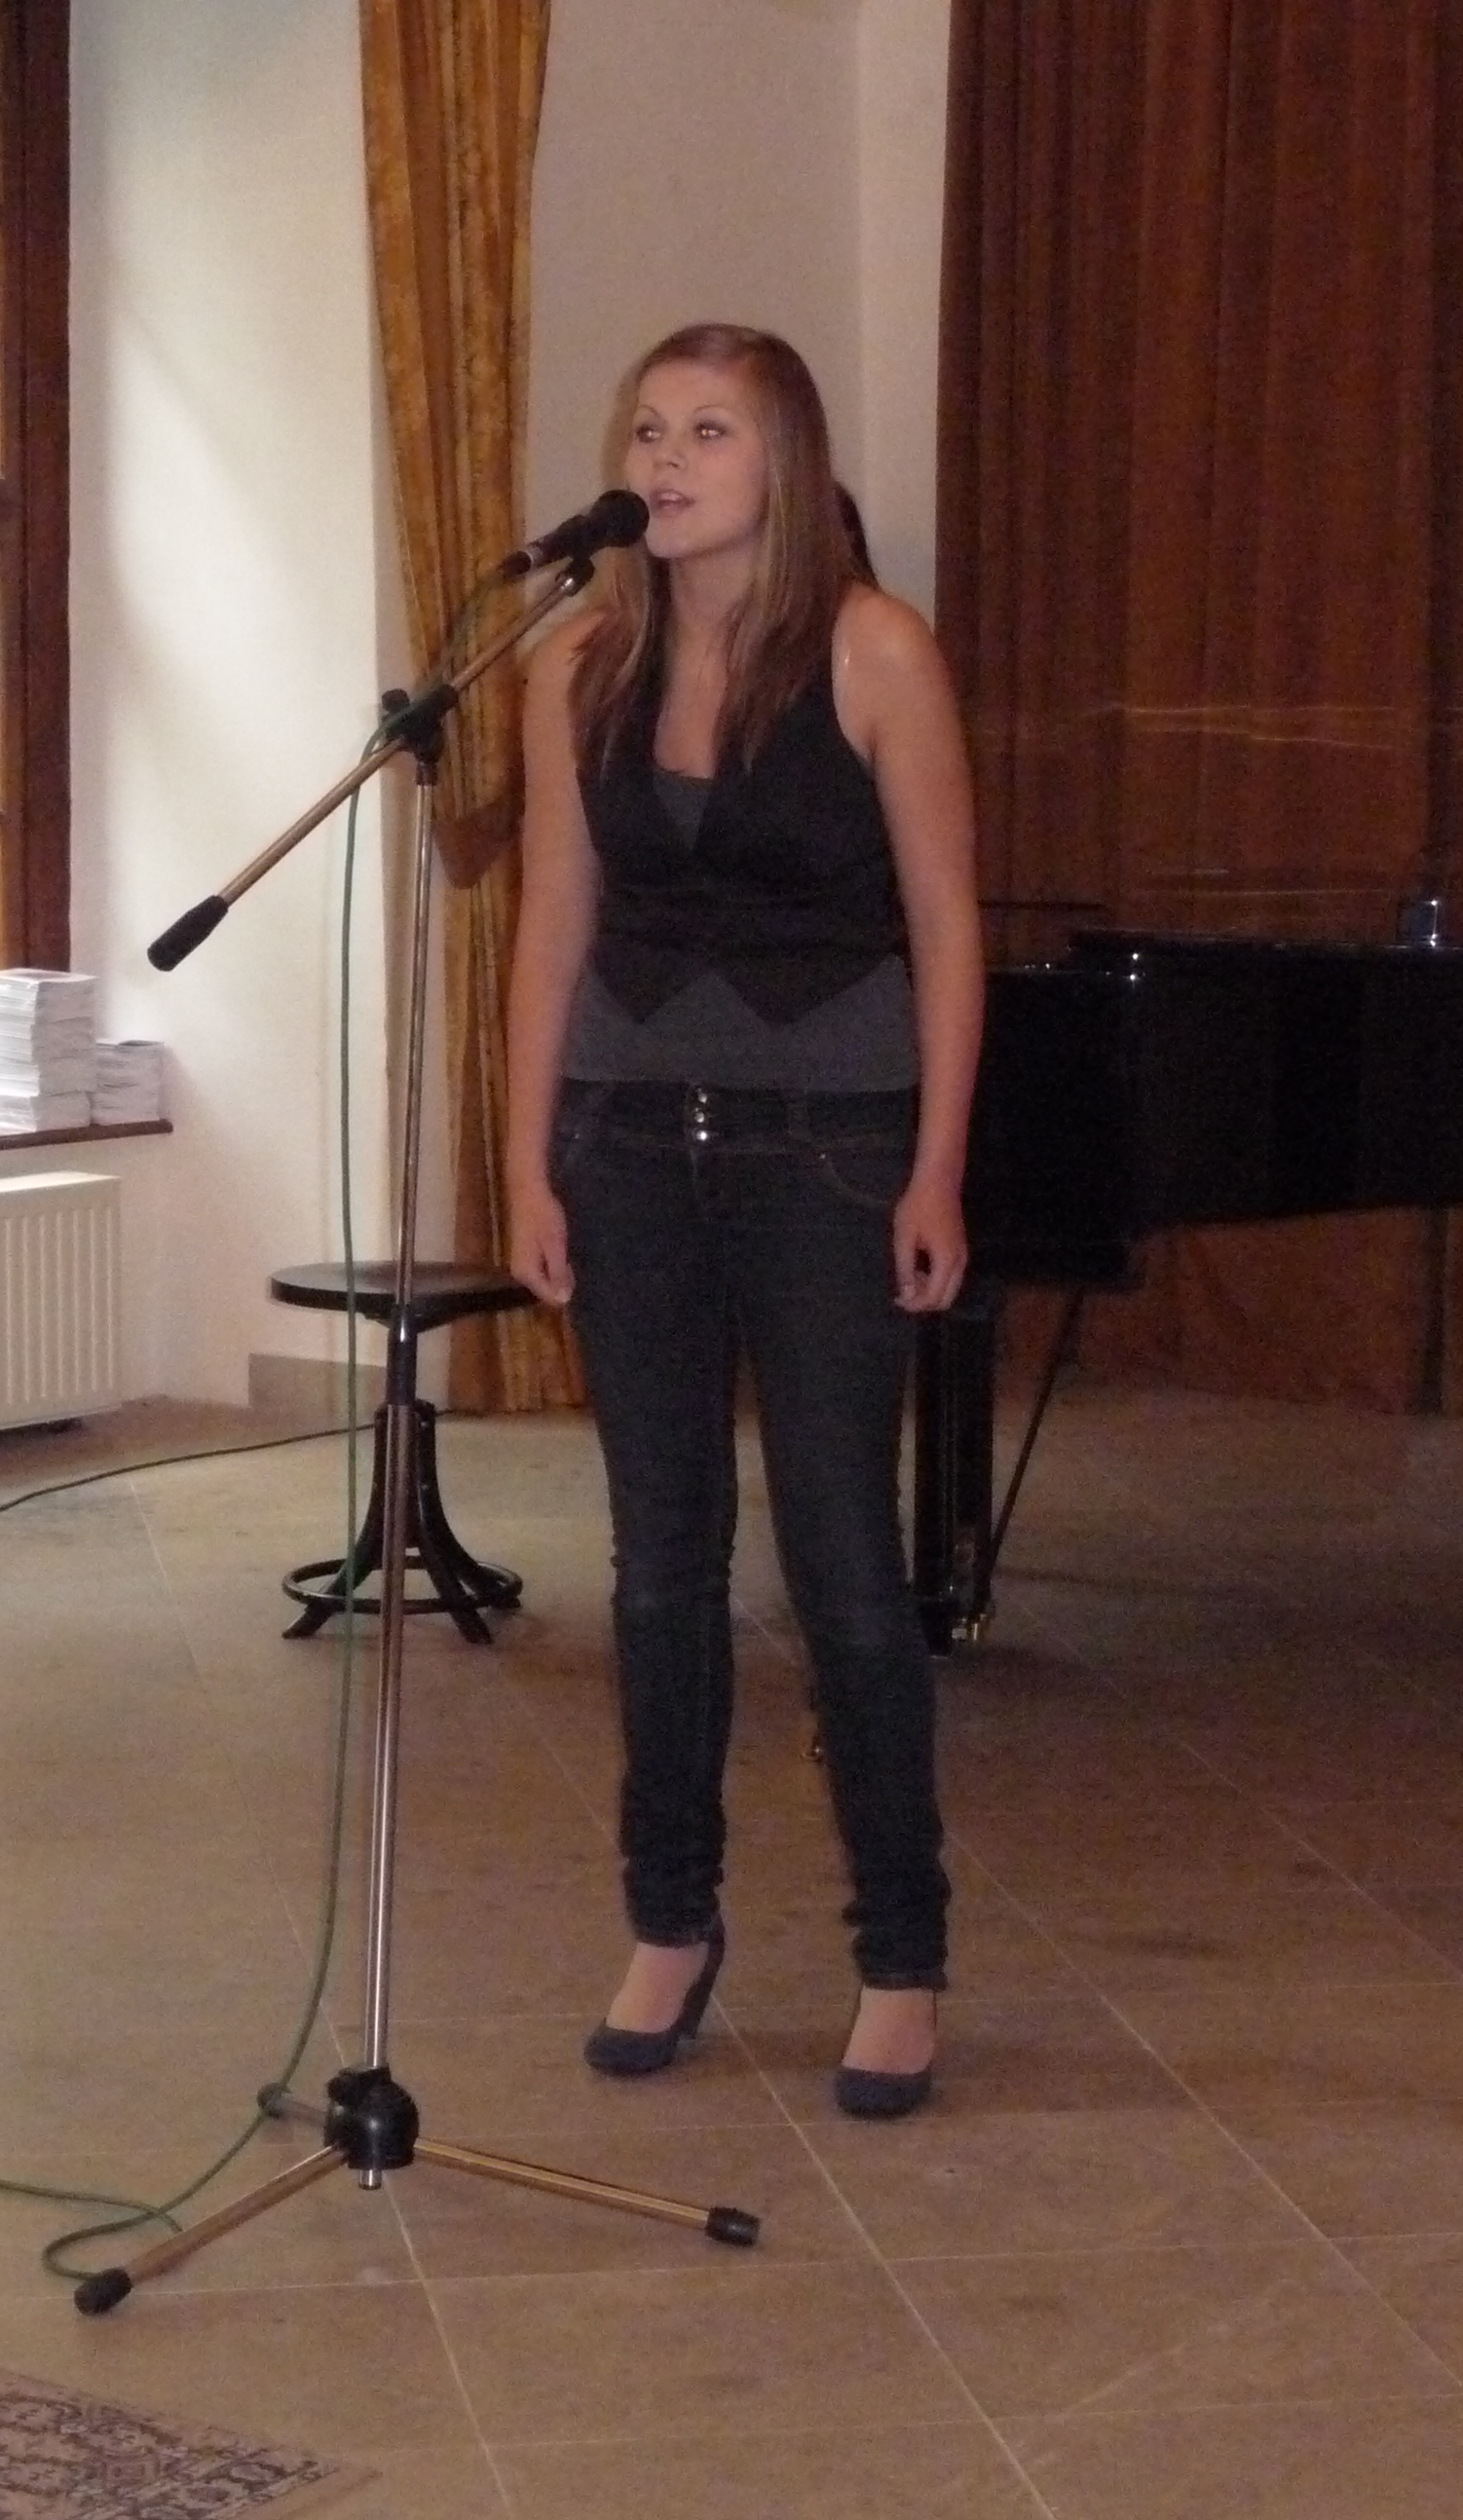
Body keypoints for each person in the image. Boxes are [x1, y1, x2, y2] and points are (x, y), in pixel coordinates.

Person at [506, 322, 982, 2119]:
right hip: (628, 1140)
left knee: (845, 1562)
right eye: (650, 428)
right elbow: (551, 927)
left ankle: (901, 1953)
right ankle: (670, 1919)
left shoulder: (874, 651)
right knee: (658, 1561)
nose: (668, 458)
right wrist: (524, 1158)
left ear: (788, 463)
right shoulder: (577, 662)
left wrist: (938, 1166)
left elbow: (945, 926)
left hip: (830, 1148)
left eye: (712, 430)